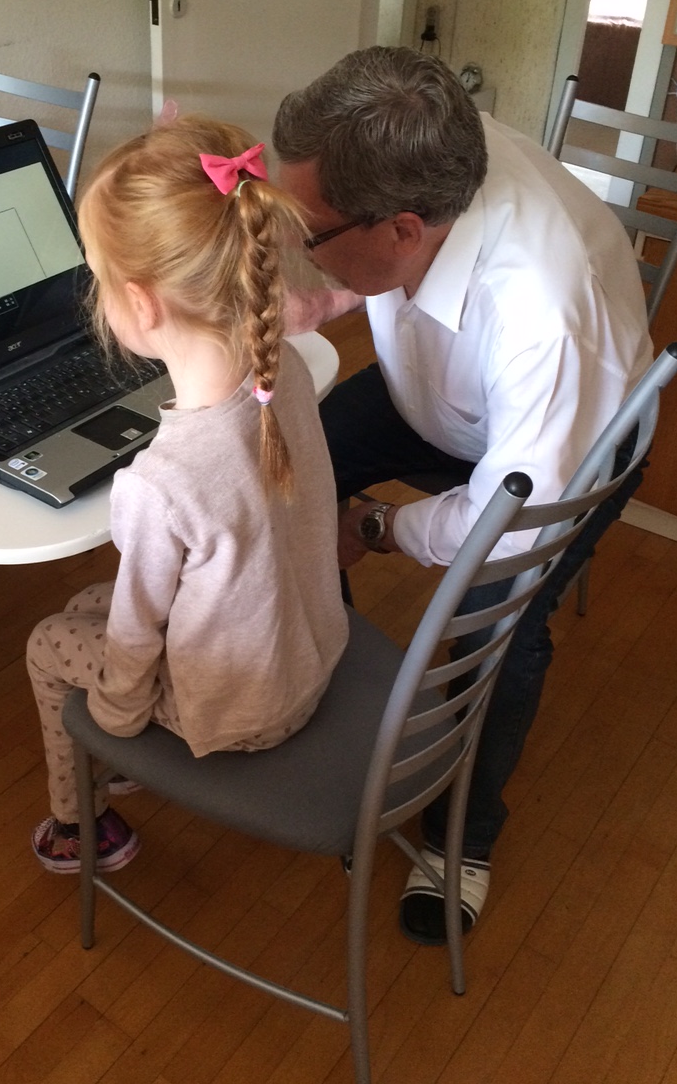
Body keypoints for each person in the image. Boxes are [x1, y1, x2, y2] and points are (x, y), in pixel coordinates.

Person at [272, 46, 653, 943]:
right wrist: (325, 296)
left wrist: (375, 525)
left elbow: (506, 526)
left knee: (494, 632)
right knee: (290, 473)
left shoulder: (546, 312)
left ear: (404, 230)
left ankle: (461, 837)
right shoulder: (426, 141)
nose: (294, 247)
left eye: (306, 232)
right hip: (438, 392)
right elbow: (360, 258)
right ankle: (328, 693)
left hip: (565, 454)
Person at [26, 115, 349, 873]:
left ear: (141, 306)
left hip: (246, 712)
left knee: (48, 642)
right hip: (307, 650)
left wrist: (116, 721)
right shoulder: (282, 373)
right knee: (88, 604)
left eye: (98, 279)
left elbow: (137, 636)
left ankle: (82, 824)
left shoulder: (160, 483)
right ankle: (121, 763)